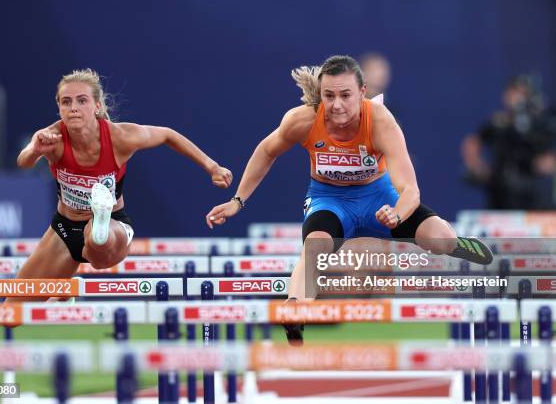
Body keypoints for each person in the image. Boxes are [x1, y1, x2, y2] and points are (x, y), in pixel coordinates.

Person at [205, 55, 492, 345]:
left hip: (379, 198)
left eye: (345, 95)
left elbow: (410, 190)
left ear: (363, 93)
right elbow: (266, 152)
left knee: (440, 239)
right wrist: (237, 201)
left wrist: (396, 214)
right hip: (330, 200)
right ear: (320, 95)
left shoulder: (380, 121)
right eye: (329, 96)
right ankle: (294, 311)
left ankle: (459, 243)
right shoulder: (303, 120)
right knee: (315, 246)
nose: (337, 105)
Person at [7, 69, 232, 302]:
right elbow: (23, 162)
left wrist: (212, 166)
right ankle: (66, 282)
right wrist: (35, 150)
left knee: (97, 246)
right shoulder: (51, 137)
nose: (73, 107)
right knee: (10, 314)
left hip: (113, 225)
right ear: (60, 108)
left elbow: (167, 135)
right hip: (64, 228)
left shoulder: (119, 137)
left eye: (81, 100)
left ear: (97, 105)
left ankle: (98, 222)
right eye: (66, 102)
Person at [462, 75, 556, 209]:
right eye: (513, 93)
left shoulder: (542, 121)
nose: (516, 98)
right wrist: (476, 166)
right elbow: (472, 142)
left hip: (534, 188)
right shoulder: (499, 123)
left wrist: (550, 161)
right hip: (502, 188)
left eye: (522, 93)